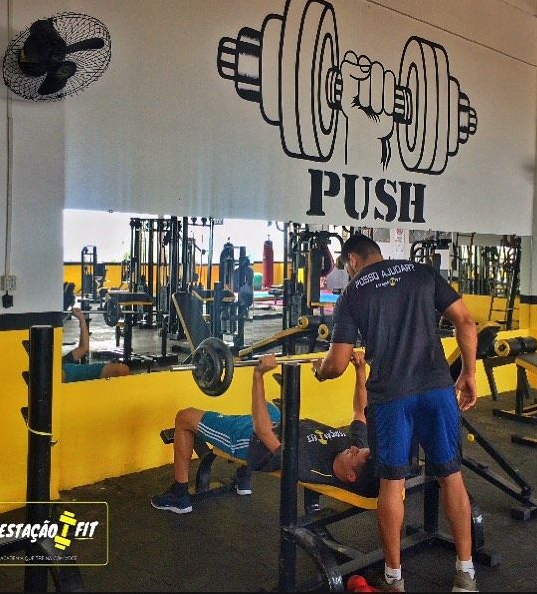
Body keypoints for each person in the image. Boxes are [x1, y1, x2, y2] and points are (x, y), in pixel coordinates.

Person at [312, 233, 479, 593]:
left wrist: (319, 371)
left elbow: (337, 363)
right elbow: (465, 321)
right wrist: (468, 373)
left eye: (346, 266)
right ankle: (466, 574)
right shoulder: (422, 272)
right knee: (451, 477)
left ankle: (394, 579)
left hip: (391, 397)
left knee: (392, 484)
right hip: (436, 388)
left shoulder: (352, 293)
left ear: (353, 259)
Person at [151, 350, 377, 514]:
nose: (355, 448)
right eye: (361, 449)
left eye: (356, 454)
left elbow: (263, 432)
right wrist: (360, 370)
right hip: (281, 424)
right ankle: (242, 480)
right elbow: (360, 411)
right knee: (270, 406)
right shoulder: (360, 451)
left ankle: (179, 495)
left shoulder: (304, 465)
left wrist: (258, 376)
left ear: (350, 476)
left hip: (250, 438)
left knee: (185, 417)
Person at [61, 307, 130, 382]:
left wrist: (82, 319)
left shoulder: (62, 360)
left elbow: (84, 348)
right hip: (91, 382)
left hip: (96, 371)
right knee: (119, 370)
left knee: (123, 369)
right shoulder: (57, 372)